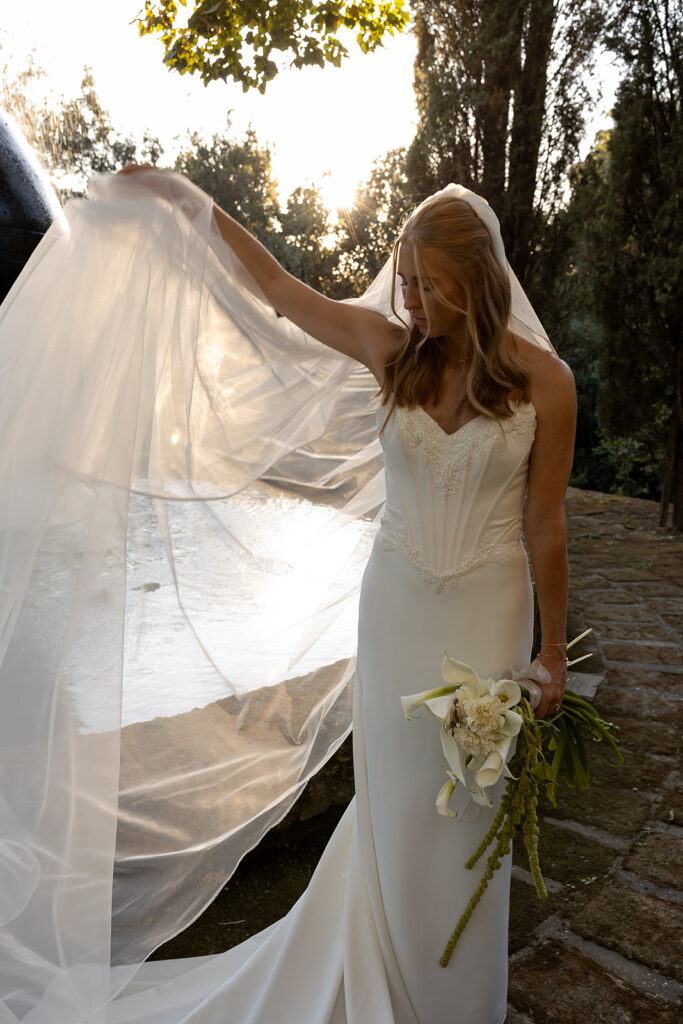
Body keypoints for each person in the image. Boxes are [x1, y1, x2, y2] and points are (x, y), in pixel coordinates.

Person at [0, 166, 575, 1024]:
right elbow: (273, 288)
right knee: (398, 809)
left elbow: (544, 528)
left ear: (478, 280)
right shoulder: (389, 348)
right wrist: (182, 198)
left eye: (430, 286)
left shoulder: (547, 382)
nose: (411, 300)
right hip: (396, 611)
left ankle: (453, 999)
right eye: (406, 282)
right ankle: (383, 981)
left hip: (485, 614)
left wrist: (551, 651)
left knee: (466, 804)